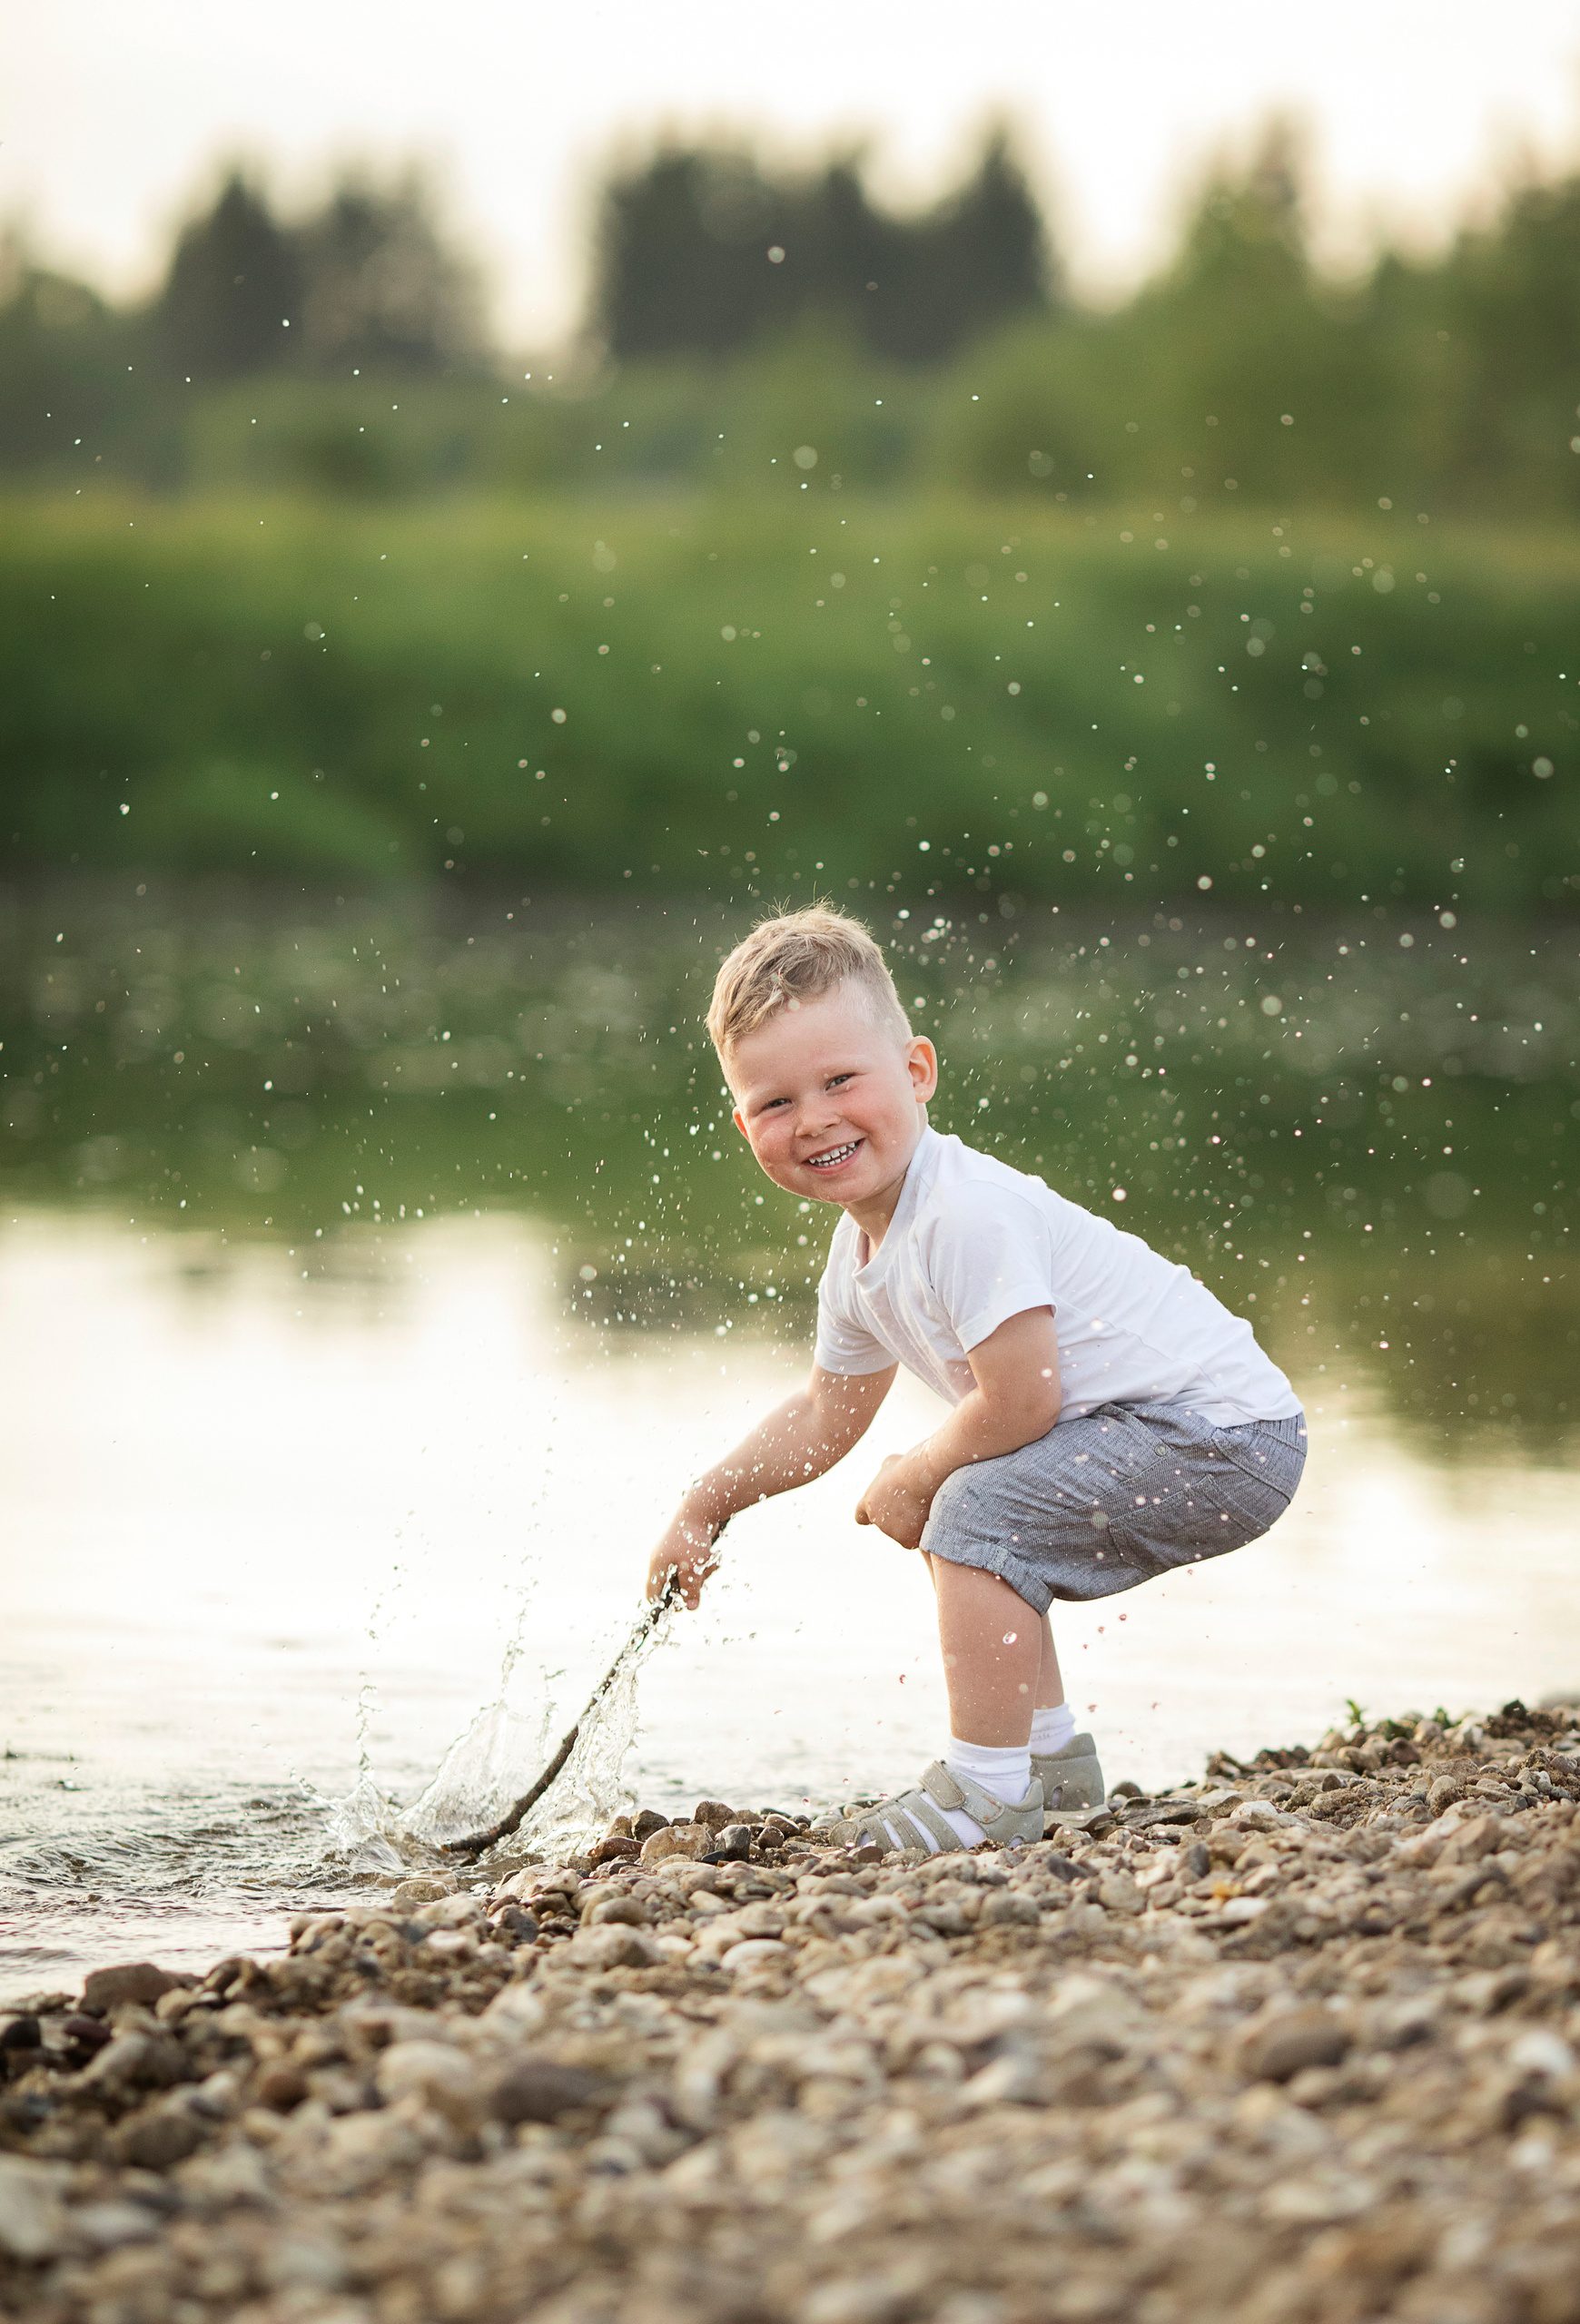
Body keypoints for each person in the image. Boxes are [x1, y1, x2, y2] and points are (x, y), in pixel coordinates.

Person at [647, 905, 1306, 1856]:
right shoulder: (863, 1249)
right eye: (777, 1102)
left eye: (841, 1080)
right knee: (978, 1500)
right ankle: (1045, 1761)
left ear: (917, 1071)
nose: (816, 1118)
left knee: (973, 1507)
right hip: (1188, 1433)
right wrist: (704, 1506)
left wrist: (915, 1469)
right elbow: (825, 1414)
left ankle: (986, 1796)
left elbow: (1022, 1401)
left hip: (1223, 1438)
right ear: (743, 1121)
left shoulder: (965, 1215)